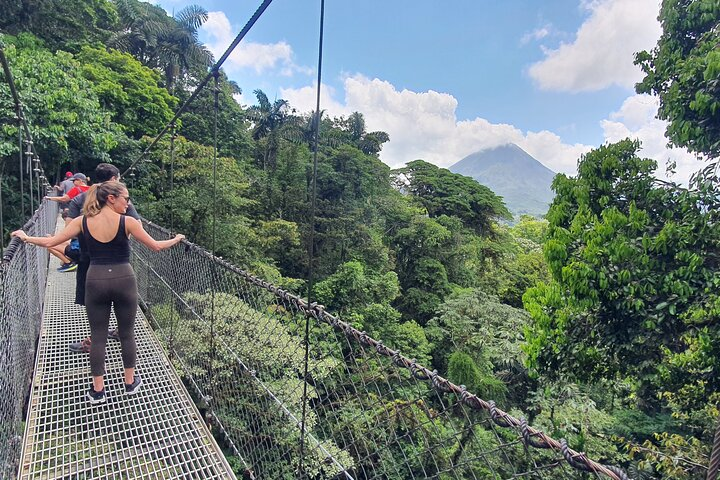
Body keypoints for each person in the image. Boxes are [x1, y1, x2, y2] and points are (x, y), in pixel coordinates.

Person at [12, 181, 185, 405]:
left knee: (99, 337)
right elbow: (157, 246)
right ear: (111, 198)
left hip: (95, 280)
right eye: (126, 199)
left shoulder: (81, 221)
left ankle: (98, 391)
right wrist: (177, 238)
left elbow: (51, 242)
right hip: (124, 280)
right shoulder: (129, 222)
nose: (128, 203)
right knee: (126, 334)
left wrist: (26, 238)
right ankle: (130, 383)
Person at [66, 163, 140, 353]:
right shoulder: (122, 201)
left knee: (94, 303)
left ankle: (95, 342)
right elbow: (136, 226)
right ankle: (118, 332)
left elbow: (69, 229)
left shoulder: (80, 199)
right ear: (114, 179)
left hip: (88, 260)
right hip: (117, 262)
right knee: (121, 301)